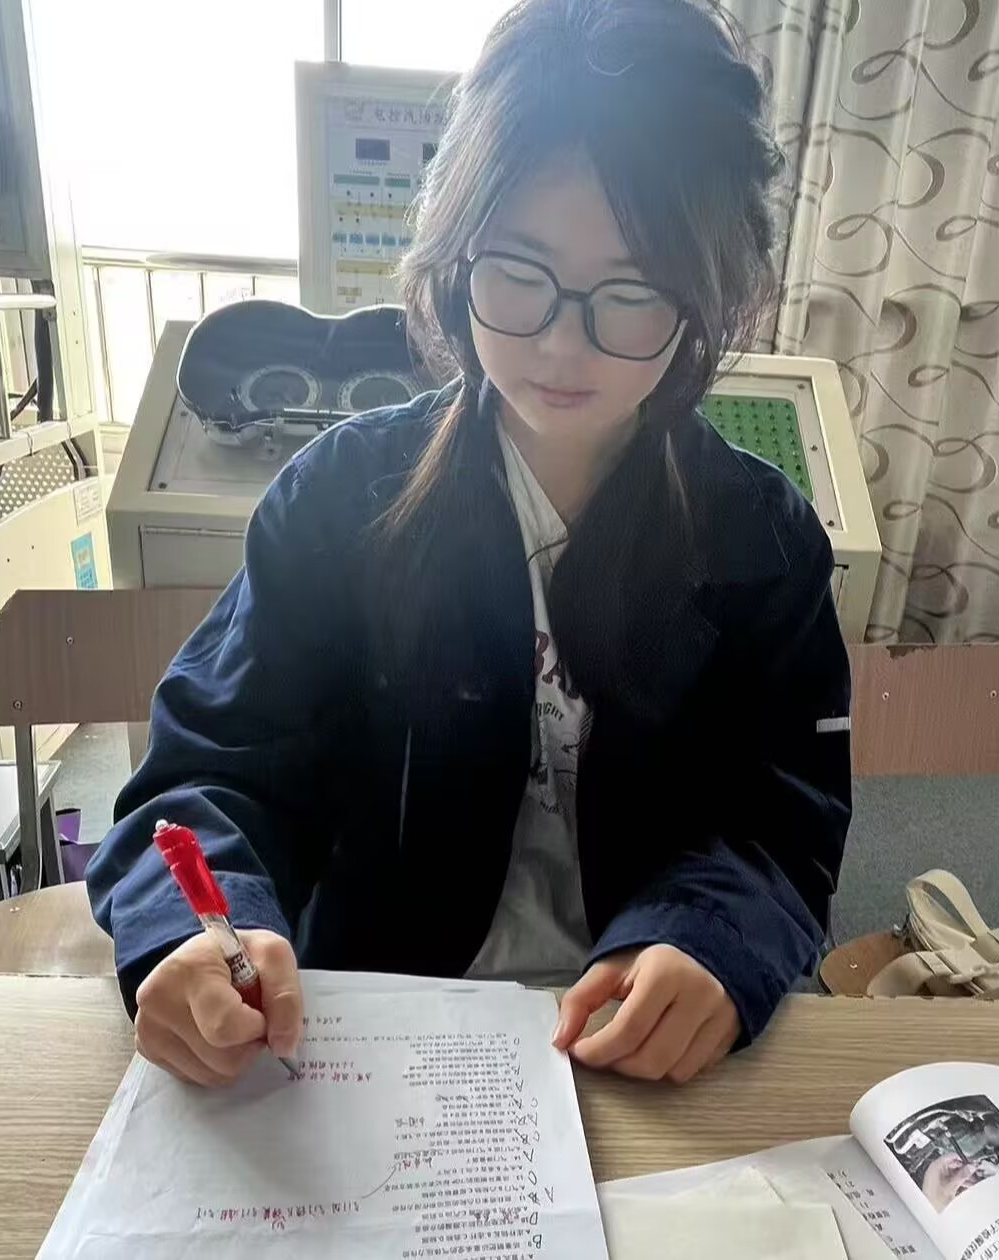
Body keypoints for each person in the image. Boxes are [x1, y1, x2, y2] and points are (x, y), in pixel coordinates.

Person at [87, 0, 852, 1090]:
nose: (561, 343)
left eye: (632, 291)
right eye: (519, 272)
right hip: (370, 1039)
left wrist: (711, 942)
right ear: (457, 255)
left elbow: (782, 819)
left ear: (707, 295)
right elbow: (212, 770)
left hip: (637, 1055)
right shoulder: (341, 502)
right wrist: (195, 930)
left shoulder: (761, 542)